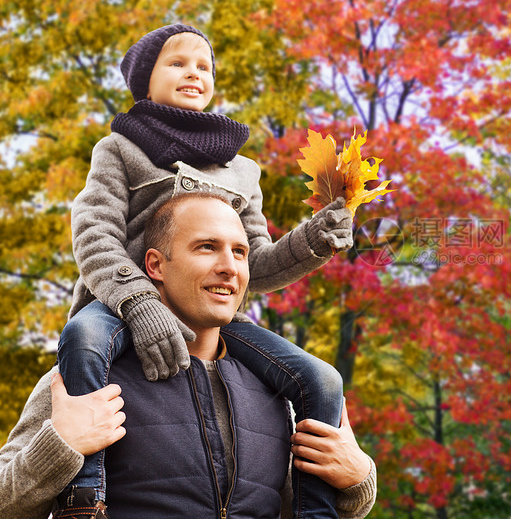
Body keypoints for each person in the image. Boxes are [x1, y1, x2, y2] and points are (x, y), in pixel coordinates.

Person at [56, 24, 353, 518]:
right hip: (120, 303)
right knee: (81, 340)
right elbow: (94, 236)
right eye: (177, 63)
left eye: (204, 66)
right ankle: (85, 495)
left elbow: (253, 265)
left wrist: (313, 240)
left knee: (322, 381)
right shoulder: (120, 149)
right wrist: (139, 303)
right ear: (144, 81)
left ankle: (314, 510)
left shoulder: (243, 171)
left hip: (212, 320)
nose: (194, 72)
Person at [0, 193, 376, 519]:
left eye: (240, 252)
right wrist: (59, 446)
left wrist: (357, 481)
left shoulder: (279, 393)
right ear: (155, 265)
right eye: (207, 247)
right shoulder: (86, 382)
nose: (230, 267)